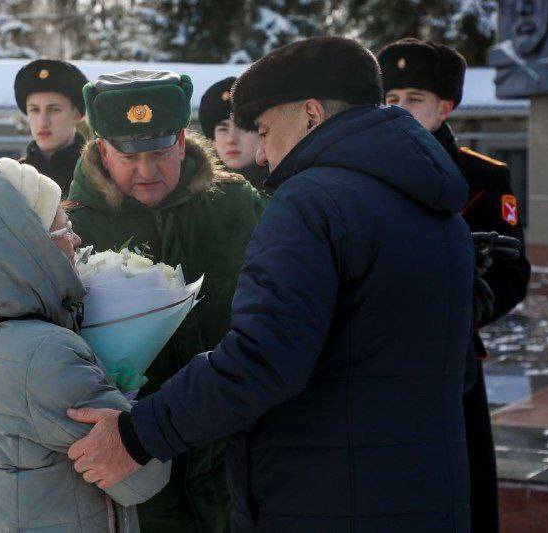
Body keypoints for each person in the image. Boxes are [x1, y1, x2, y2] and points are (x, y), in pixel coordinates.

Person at [66, 36, 477, 531]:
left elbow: (266, 358)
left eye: (263, 129)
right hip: (416, 491)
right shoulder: (429, 199)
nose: (260, 154)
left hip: (322, 492)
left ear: (310, 114)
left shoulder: (307, 201)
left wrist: (136, 435)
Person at [0, 157, 170, 532]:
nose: (76, 240)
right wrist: (126, 401)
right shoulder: (46, 356)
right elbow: (141, 478)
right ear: (30, 248)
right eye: (64, 228)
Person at [67, 70, 267, 532]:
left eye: (160, 153)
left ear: (181, 142)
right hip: (126, 466)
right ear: (102, 151)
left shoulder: (236, 206)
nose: (147, 171)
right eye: (128, 157)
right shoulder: (70, 227)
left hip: (236, 457)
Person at [378, 37, 532, 533]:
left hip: (451, 356)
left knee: (461, 480)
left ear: (446, 107)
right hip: (373, 353)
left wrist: (466, 304)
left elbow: (511, 270)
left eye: (414, 99)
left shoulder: (483, 176)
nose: (399, 110)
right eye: (391, 98)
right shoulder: (361, 172)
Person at [14, 59, 89, 196]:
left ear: (77, 114)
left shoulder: (98, 176)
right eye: (34, 110)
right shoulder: (12, 178)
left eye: (54, 110)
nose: (43, 122)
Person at [199, 76, 268, 190]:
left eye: (242, 127)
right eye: (223, 129)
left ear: (262, 134)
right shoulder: (196, 196)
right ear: (212, 140)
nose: (231, 139)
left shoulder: (288, 192)